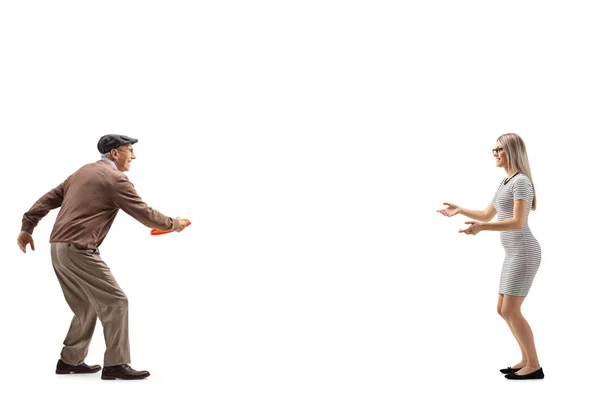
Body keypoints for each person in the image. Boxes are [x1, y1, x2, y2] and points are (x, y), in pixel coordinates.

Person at [17, 134, 187, 380]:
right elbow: (145, 214)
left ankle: (69, 361)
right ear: (115, 153)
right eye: (130, 150)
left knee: (86, 306)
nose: (134, 156)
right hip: (78, 249)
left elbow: (48, 199)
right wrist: (174, 223)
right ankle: (116, 365)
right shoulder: (116, 180)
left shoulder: (82, 172)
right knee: (116, 302)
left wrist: (27, 227)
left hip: (58, 247)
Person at [437, 133, 543, 380]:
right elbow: (486, 214)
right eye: (493, 150)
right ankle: (526, 359)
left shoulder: (521, 183)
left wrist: (482, 228)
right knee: (502, 309)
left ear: (512, 152)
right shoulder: (506, 182)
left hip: (524, 252)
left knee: (511, 309)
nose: (495, 154)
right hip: (513, 252)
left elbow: (517, 222)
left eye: (500, 149)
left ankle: (535, 366)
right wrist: (461, 209)